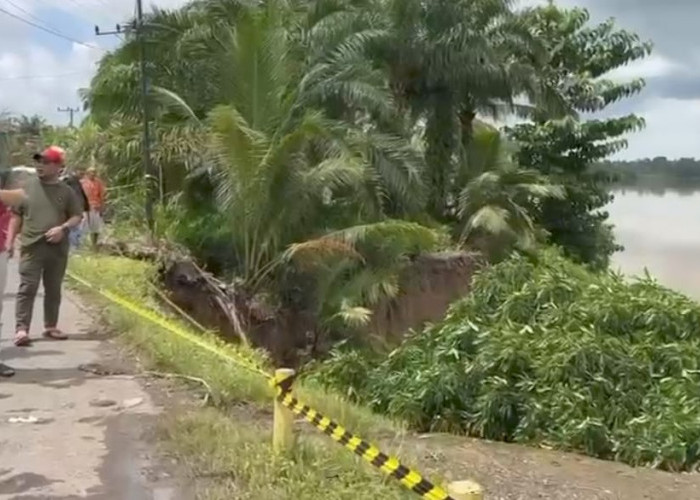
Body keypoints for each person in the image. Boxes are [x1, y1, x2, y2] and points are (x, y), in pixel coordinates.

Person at [8, 146, 83, 347]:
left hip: (56, 249)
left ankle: (51, 326)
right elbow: (16, 216)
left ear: (58, 166)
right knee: (27, 287)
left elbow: (77, 215)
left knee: (53, 288)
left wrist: (63, 228)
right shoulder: (27, 187)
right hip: (31, 247)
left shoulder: (66, 191)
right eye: (39, 161)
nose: (40, 165)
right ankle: (21, 329)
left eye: (46, 162)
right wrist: (9, 242)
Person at [60, 166, 89, 248]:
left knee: (78, 229)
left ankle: (75, 246)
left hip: (79, 208)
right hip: (72, 210)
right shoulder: (68, 180)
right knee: (73, 229)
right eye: (81, 173)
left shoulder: (77, 182)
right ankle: (73, 247)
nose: (82, 175)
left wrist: (86, 207)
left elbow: (81, 195)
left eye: (83, 173)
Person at [79, 166, 106, 247]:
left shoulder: (98, 183)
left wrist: (102, 207)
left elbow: (101, 196)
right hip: (84, 207)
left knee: (95, 227)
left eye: (94, 172)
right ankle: (81, 245)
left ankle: (94, 244)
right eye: (91, 172)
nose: (93, 174)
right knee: (82, 227)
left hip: (96, 207)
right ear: (87, 174)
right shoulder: (82, 183)